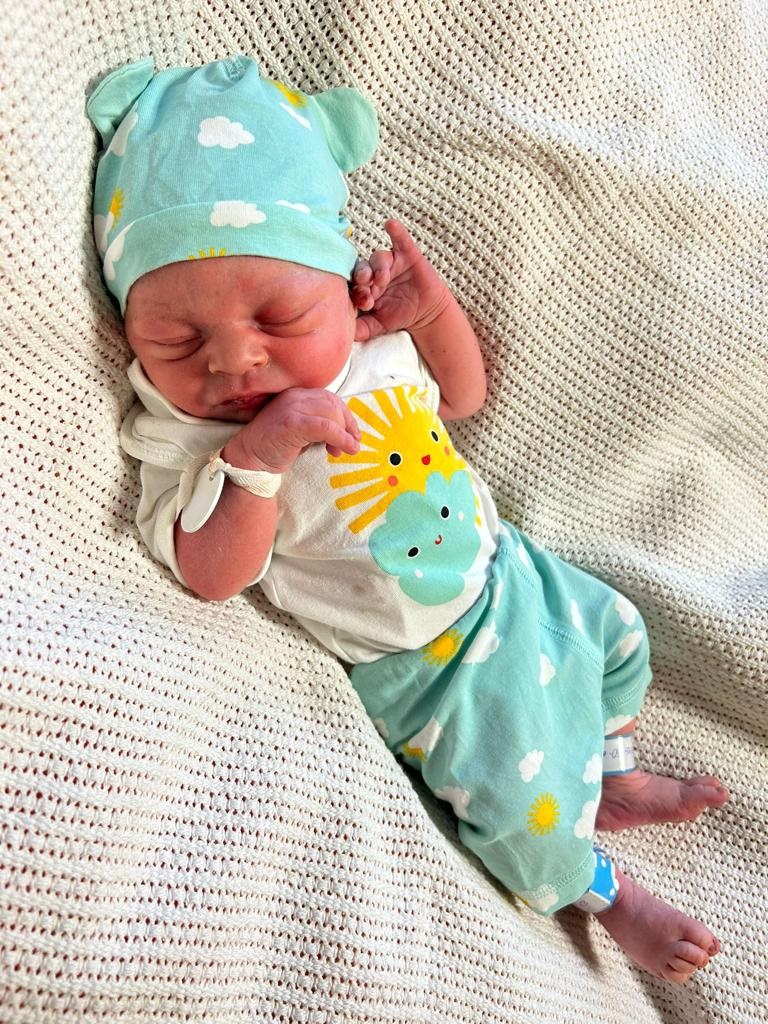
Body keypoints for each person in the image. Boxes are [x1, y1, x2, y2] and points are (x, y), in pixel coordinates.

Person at [87, 55, 729, 984]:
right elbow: (213, 575)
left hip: (511, 572)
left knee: (621, 633)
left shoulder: (374, 349)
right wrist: (260, 455)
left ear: (337, 282)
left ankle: (617, 774)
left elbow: (463, 397)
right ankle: (609, 894)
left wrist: (431, 314)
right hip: (426, 670)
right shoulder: (184, 439)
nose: (234, 362)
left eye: (279, 316)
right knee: (523, 818)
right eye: (176, 341)